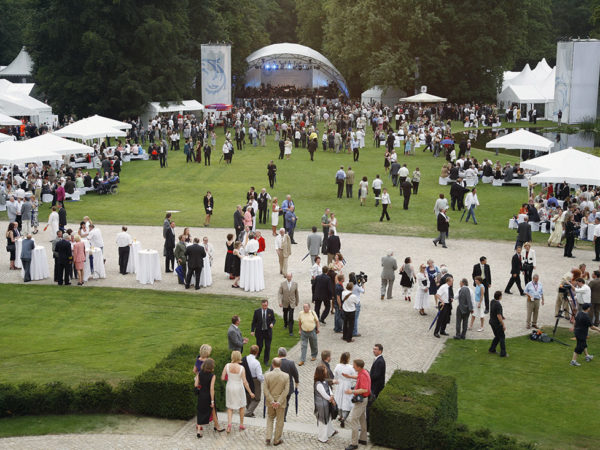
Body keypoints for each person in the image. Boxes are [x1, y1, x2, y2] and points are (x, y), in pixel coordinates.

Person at [221, 351, 255, 433]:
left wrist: (228, 377)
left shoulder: (227, 365)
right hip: (239, 388)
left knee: (230, 407)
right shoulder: (241, 368)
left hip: (229, 386)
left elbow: (222, 378)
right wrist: (250, 392)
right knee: (242, 406)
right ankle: (241, 424)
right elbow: (245, 382)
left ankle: (229, 425)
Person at [344, 359, 371, 450]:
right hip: (363, 400)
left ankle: (354, 443)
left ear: (358, 367)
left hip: (361, 401)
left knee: (354, 420)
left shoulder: (363, 375)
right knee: (362, 418)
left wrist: (352, 391)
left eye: (354, 365)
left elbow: (365, 389)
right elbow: (358, 377)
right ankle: (363, 439)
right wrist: (349, 376)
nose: (352, 366)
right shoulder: (362, 372)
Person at [263, 357, 290, 446]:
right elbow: (286, 391)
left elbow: (265, 390)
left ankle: (268, 437)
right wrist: (278, 402)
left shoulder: (267, 375)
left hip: (270, 403)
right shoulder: (286, 376)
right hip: (280, 404)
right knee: (280, 421)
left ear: (272, 364)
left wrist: (271, 401)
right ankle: (276, 440)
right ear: (280, 365)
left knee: (270, 418)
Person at [314, 364, 337, 443]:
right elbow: (324, 395)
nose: (326, 372)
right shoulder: (318, 384)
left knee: (328, 418)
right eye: (325, 372)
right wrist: (331, 399)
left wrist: (332, 395)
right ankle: (322, 438)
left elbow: (329, 389)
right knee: (323, 421)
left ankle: (330, 432)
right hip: (322, 405)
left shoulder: (324, 380)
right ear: (321, 373)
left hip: (327, 403)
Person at [194, 358, 216, 438]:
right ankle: (216, 425)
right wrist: (212, 401)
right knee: (208, 411)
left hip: (201, 394)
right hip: (208, 396)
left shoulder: (199, 373)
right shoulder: (212, 376)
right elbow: (211, 389)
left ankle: (199, 430)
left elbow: (196, 385)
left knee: (200, 411)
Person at [275, 347, 299, 421]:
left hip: (277, 386)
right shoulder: (290, 363)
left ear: (278, 354)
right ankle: (283, 417)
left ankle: (279, 416)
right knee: (285, 402)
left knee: (278, 401)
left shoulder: (275, 362)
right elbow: (296, 375)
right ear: (286, 354)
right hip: (288, 387)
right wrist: (296, 384)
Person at [333, 352, 356, 427]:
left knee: (339, 400)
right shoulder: (351, 367)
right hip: (347, 385)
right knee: (347, 401)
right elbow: (353, 377)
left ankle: (340, 416)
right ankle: (344, 417)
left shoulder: (338, 366)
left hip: (340, 384)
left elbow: (335, 375)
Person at [251, 299, 276, 364]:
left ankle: (266, 360)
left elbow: (274, 319)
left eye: (266, 305)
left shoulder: (270, 311)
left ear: (267, 305)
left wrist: (272, 324)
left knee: (267, 347)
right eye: (263, 305)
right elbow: (254, 322)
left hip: (268, 332)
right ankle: (258, 354)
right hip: (259, 332)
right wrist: (252, 330)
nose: (265, 307)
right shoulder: (257, 312)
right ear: (261, 305)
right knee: (260, 345)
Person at [242, 345, 264, 418]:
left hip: (245, 378)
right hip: (255, 380)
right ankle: (248, 413)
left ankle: (250, 412)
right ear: (257, 352)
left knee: (248, 395)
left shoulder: (244, 359)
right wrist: (263, 380)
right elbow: (259, 376)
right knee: (257, 398)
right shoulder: (256, 362)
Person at [489, 291, 508, 357]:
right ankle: (503, 353)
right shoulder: (498, 305)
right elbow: (498, 315)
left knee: (497, 336)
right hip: (497, 323)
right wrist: (503, 324)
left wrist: (502, 316)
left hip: (492, 322)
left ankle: (492, 349)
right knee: (502, 337)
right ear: (500, 297)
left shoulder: (492, 301)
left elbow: (494, 311)